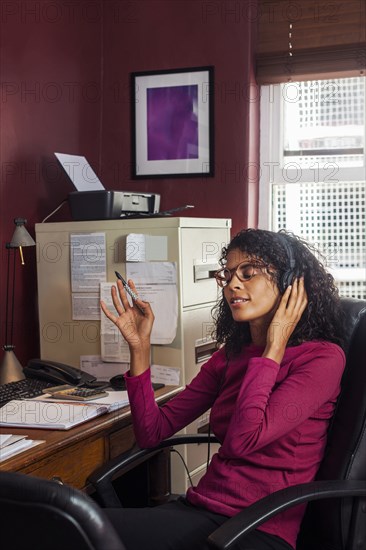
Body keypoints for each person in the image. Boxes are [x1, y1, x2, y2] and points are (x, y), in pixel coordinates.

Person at [100, 229, 346, 550]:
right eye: (227, 274)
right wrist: (140, 347)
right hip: (203, 512)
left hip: (257, 527)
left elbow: (244, 441)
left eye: (248, 272)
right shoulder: (231, 356)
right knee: (68, 523)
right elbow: (151, 432)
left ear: (290, 283)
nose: (232, 284)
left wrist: (273, 347)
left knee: (78, 528)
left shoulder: (322, 359)